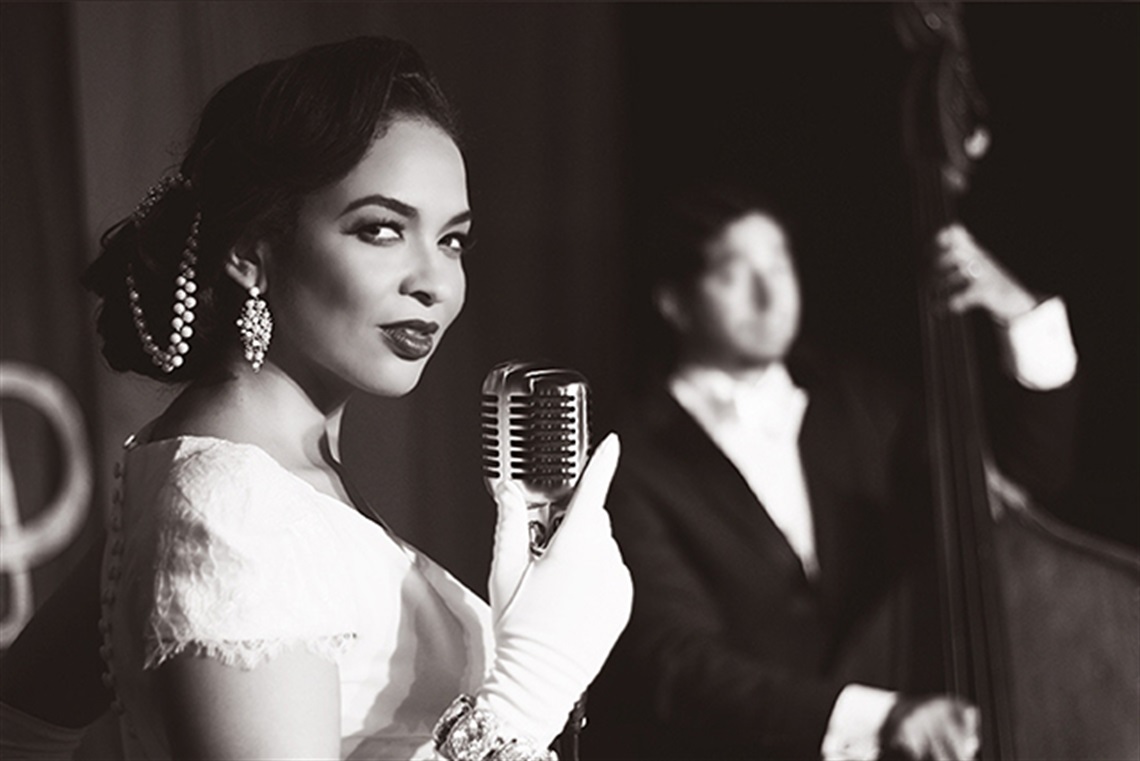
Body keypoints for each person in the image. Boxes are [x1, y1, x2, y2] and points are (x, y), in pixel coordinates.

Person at [0, 36, 632, 761]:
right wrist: (522, 699)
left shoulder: (247, 483)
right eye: (381, 230)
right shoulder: (234, 512)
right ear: (252, 252)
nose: (433, 281)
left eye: (454, 241)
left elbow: (15, 725)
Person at [582, 183, 1079, 761]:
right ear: (675, 303)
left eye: (779, 264)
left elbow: (1020, 482)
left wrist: (1018, 313)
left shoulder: (858, 400)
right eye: (735, 273)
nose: (770, 293)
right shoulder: (631, 458)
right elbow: (676, 661)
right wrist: (880, 717)